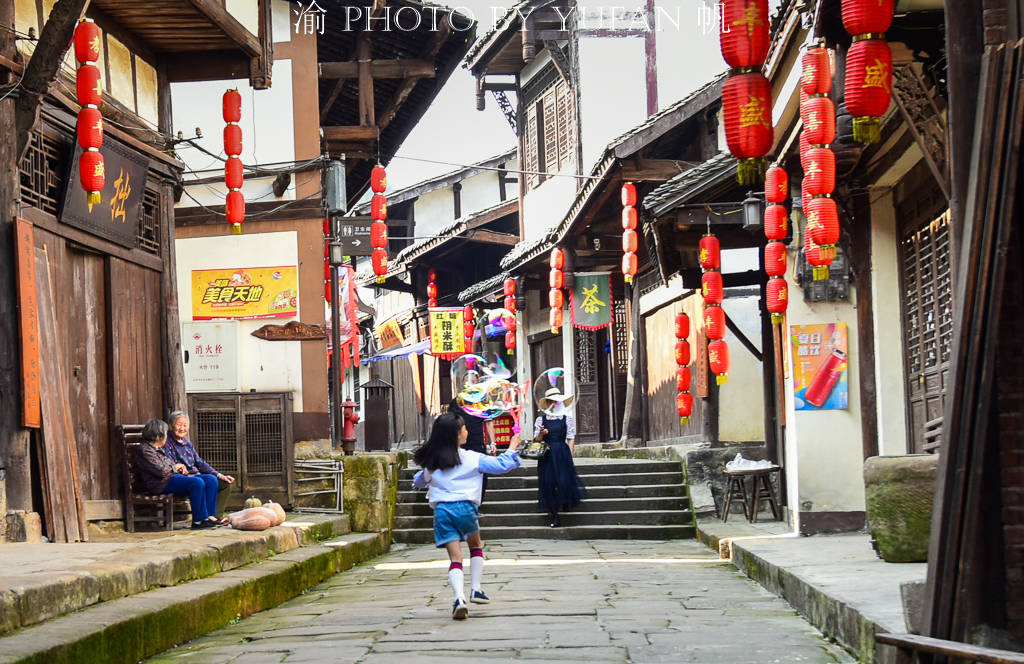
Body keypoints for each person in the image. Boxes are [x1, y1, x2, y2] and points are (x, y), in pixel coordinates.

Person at [412, 412, 522, 620]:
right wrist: (512, 447)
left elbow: (419, 481)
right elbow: (501, 466)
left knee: (455, 558)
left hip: (442, 511)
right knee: (476, 546)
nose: (466, 431)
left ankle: (459, 598)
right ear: (456, 435)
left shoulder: (432, 462)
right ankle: (477, 588)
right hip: (466, 509)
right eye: (463, 428)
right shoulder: (472, 458)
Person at [133, 418, 221, 530]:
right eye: (165, 433)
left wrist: (179, 467)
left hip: (170, 478)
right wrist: (175, 467)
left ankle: (209, 517)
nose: (166, 436)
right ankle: (199, 521)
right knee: (196, 482)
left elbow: (167, 465)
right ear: (158, 436)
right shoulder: (145, 450)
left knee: (210, 479)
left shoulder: (156, 448)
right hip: (160, 484)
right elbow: (161, 471)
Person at [164, 411, 235, 521]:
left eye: (185, 425)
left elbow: (200, 462)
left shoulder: (187, 443)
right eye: (179, 425)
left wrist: (219, 475)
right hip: (182, 478)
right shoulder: (167, 442)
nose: (182, 428)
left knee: (217, 480)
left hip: (195, 475)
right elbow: (169, 464)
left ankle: (213, 517)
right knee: (204, 481)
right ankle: (203, 519)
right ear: (171, 425)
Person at [534, 387, 586, 528]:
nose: (556, 404)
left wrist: (570, 454)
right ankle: (554, 515)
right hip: (547, 454)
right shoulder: (541, 419)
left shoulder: (567, 419)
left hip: (562, 452)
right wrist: (542, 433)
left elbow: (570, 438)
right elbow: (536, 441)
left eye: (558, 401)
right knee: (549, 483)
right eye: (553, 401)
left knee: (563, 481)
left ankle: (564, 503)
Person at [448, 397, 496, 501]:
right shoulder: (456, 401)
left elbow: (489, 421)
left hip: (476, 441)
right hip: (459, 442)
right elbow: (450, 421)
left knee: (480, 473)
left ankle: (477, 502)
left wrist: (493, 442)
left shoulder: (481, 402)